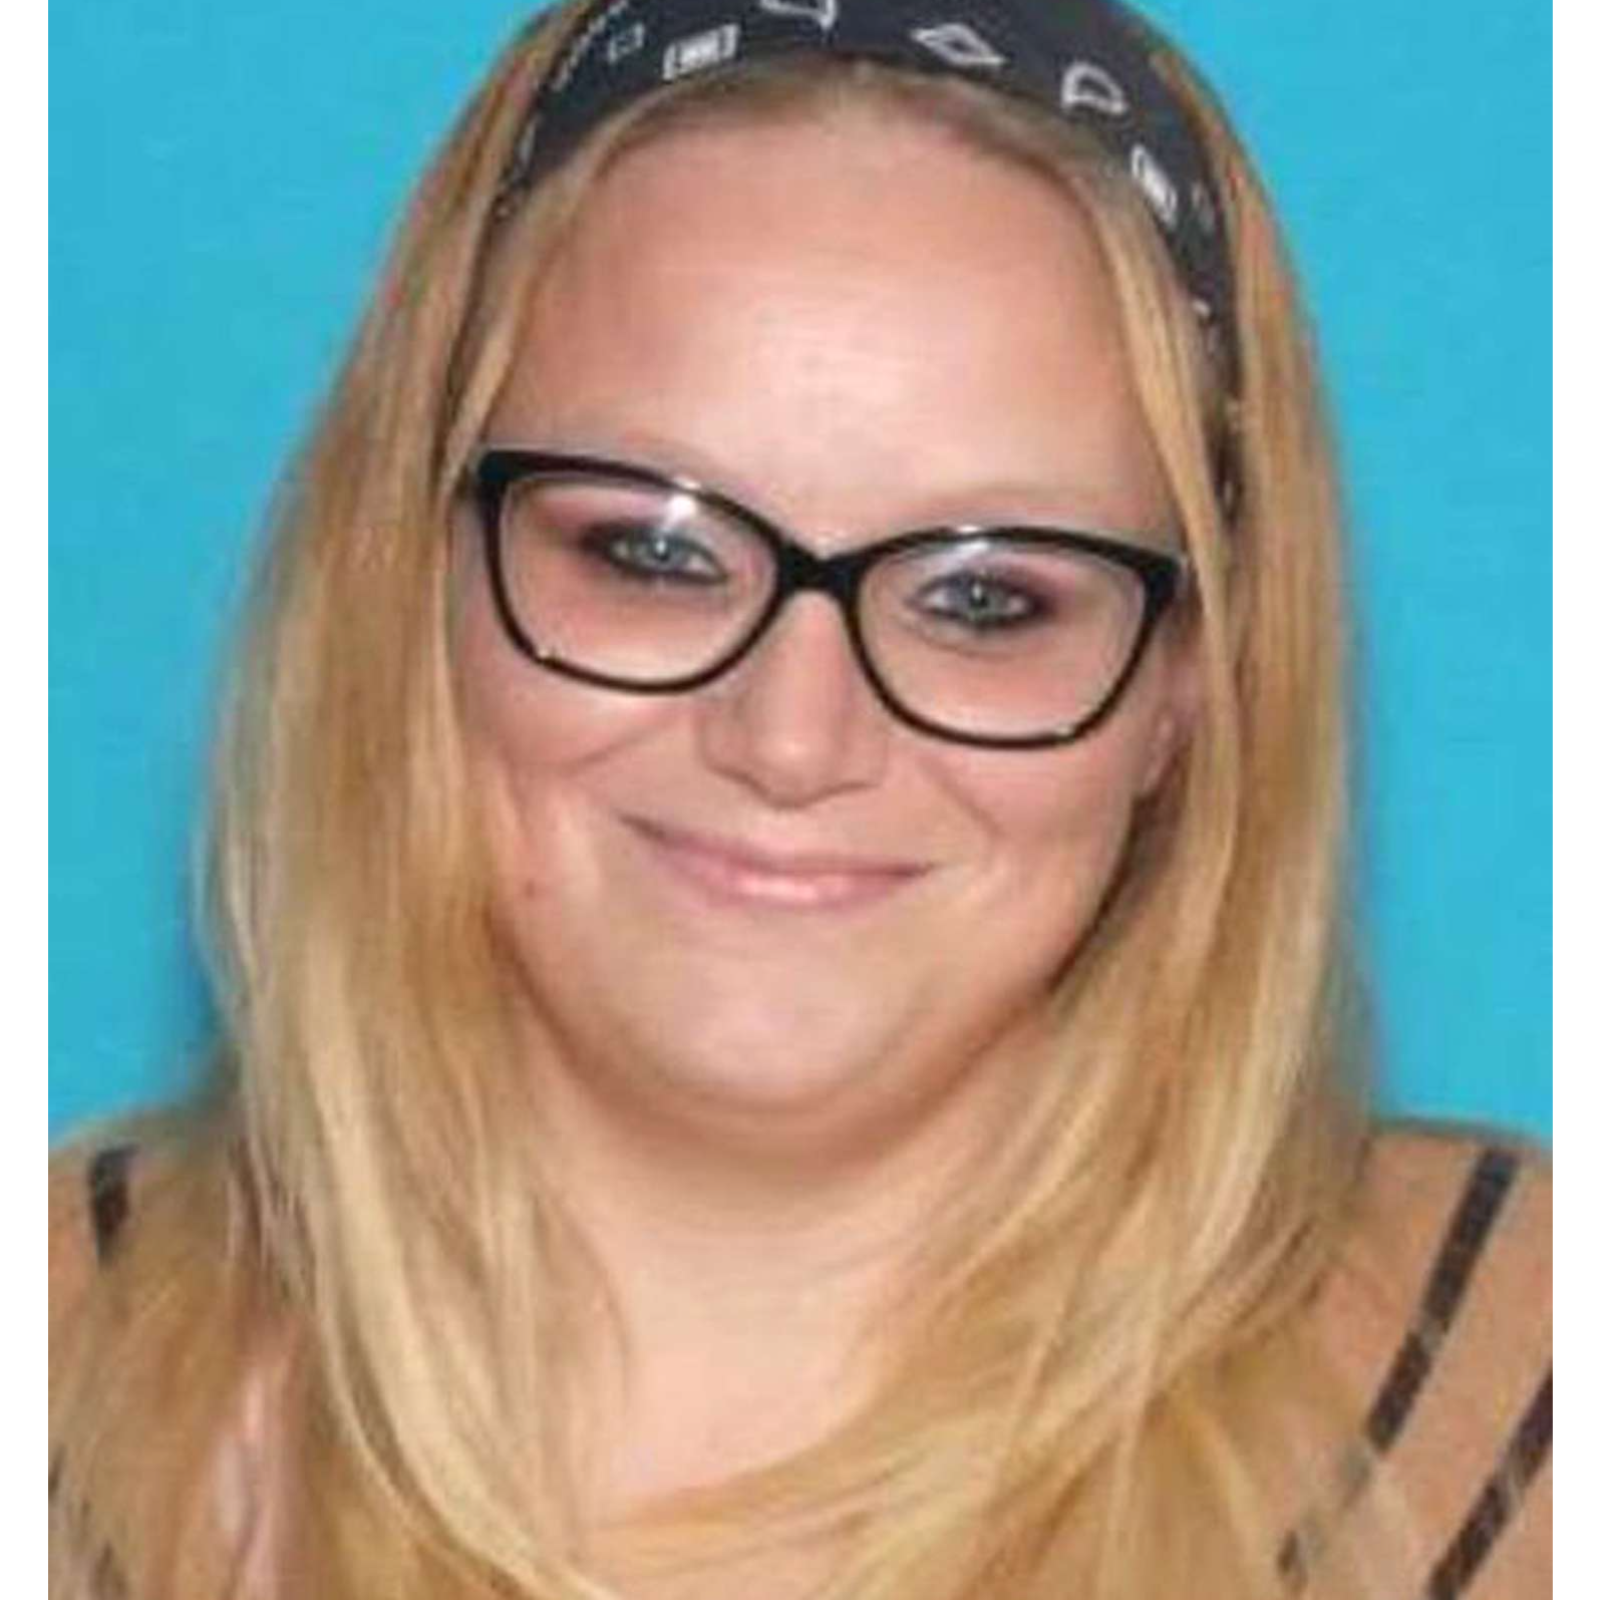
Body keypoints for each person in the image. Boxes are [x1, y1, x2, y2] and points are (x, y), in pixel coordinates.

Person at [47, 1, 1551, 1596]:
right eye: (649, 551)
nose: (790, 736)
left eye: (987, 598)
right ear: (410, 579)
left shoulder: (1511, 1390)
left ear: (1191, 684)